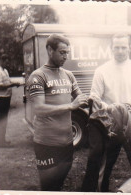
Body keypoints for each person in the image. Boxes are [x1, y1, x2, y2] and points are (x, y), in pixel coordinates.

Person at [81, 34, 131, 192]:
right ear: (111, 48)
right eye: (116, 47)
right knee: (103, 167)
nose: (120, 51)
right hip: (111, 126)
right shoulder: (101, 70)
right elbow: (95, 96)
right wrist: (110, 109)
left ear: (129, 48)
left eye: (123, 47)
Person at [27, 34, 88, 191]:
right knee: (48, 187)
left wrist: (95, 101)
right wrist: (70, 106)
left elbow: (80, 98)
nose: (65, 56)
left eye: (67, 52)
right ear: (49, 50)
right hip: (46, 143)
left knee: (59, 183)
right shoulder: (38, 76)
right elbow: (39, 109)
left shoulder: (68, 74)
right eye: (62, 52)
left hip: (67, 142)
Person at [0, 54, 21, 147]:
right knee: (1, 120)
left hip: (7, 97)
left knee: (4, 119)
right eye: (6, 62)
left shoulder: (5, 70)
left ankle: (2, 139)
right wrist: (12, 85)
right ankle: (1, 142)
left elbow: (7, 81)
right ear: (2, 61)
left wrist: (14, 83)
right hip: (1, 98)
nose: (7, 64)